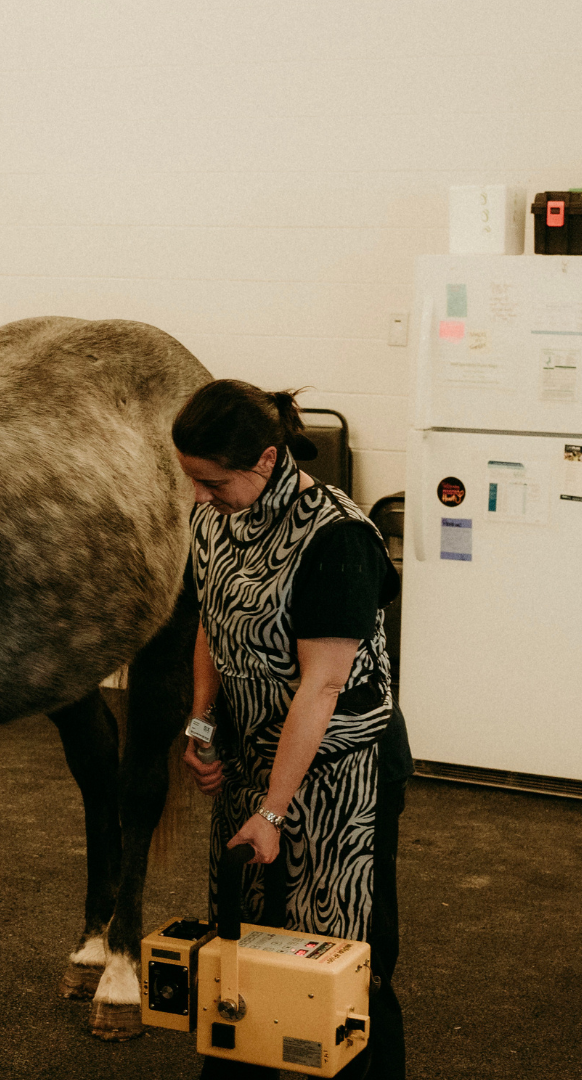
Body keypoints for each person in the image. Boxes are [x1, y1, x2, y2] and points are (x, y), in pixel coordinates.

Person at [172, 380, 410, 1080]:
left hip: (343, 775)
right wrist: (200, 723)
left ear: (268, 460)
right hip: (254, 758)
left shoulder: (336, 536)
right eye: (189, 479)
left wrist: (273, 809)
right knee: (240, 946)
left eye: (211, 481)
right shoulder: (215, 518)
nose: (197, 496)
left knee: (342, 962)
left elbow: (324, 684)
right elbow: (211, 626)